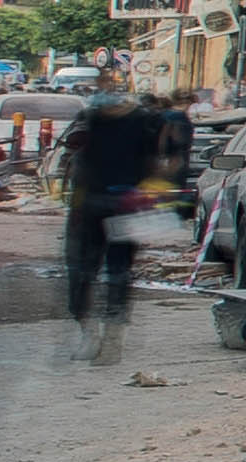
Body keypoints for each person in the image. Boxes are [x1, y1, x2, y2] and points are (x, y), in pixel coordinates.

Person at [57, 76, 188, 358]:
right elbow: (170, 159)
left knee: (99, 271)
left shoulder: (121, 119)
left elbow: (68, 152)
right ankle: (101, 334)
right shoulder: (124, 119)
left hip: (107, 204)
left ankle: (101, 335)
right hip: (109, 204)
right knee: (101, 271)